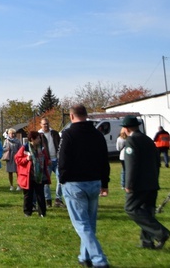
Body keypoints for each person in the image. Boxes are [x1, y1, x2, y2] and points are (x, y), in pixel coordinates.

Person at [58, 104, 110, 268]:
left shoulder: (68, 134)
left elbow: (63, 160)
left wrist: (63, 179)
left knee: (81, 224)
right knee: (89, 223)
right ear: (86, 115)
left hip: (74, 184)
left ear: (72, 116)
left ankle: (99, 260)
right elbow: (104, 160)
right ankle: (84, 255)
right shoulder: (97, 134)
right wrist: (105, 183)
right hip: (94, 182)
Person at [121, 115, 170, 249]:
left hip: (139, 183)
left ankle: (161, 233)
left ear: (126, 128)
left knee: (131, 208)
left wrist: (129, 184)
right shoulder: (148, 139)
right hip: (152, 181)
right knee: (147, 211)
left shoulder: (132, 140)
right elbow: (157, 161)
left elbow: (131, 164)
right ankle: (146, 241)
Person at [15, 130, 51, 217]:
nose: (39, 139)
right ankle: (27, 212)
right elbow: (17, 159)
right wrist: (26, 159)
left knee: (40, 195)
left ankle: (42, 213)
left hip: (39, 175)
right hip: (28, 176)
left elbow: (45, 158)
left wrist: (47, 161)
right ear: (32, 139)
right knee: (28, 195)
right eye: (38, 138)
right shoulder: (25, 148)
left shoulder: (41, 148)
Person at [39, 118, 63, 208]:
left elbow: (61, 145)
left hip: (56, 160)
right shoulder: (39, 135)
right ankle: (48, 200)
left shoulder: (55, 133)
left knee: (61, 179)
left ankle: (58, 199)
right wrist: (46, 159)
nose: (46, 125)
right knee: (45, 182)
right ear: (40, 125)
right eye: (44, 124)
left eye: (47, 124)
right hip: (46, 162)